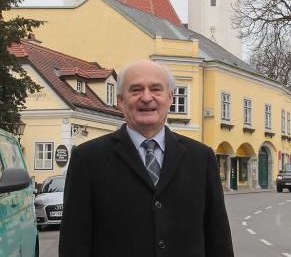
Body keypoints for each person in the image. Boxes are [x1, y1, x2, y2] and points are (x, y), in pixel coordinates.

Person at [59, 60, 234, 257]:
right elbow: (74, 243)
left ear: (170, 98)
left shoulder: (201, 158)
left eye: (156, 89)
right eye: (135, 90)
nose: (146, 97)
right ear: (121, 100)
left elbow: (218, 239)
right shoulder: (88, 159)